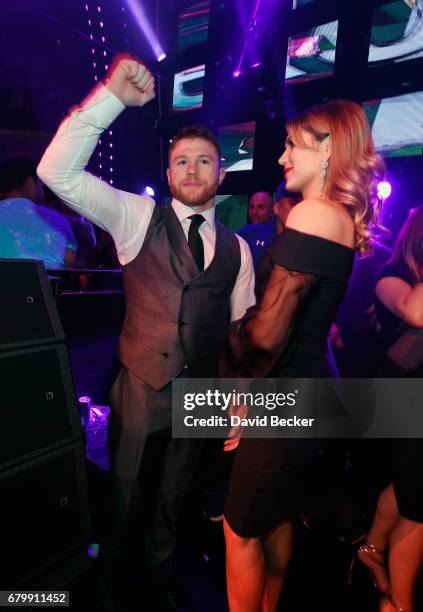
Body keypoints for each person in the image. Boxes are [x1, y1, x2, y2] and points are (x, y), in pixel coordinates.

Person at [37, 55, 255, 611]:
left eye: (203, 161)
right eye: (181, 160)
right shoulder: (138, 218)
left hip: (202, 391)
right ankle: (111, 594)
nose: (190, 170)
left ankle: (158, 589)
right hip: (139, 386)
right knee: (126, 503)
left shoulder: (240, 250)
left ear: (220, 174)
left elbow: (238, 331)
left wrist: (236, 399)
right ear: (168, 173)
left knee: (172, 504)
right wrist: (110, 99)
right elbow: (55, 173)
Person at [219, 99, 385, 611]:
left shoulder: (315, 213)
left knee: (239, 529)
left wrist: (239, 389)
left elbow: (269, 332)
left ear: (329, 147)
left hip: (283, 392)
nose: (282, 157)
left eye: (293, 144)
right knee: (275, 517)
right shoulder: (334, 216)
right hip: (304, 394)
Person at [356, 206, 423, 612]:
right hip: (401, 399)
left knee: (407, 489)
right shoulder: (391, 276)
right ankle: (399, 603)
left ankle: (372, 547)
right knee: (419, 511)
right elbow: (416, 313)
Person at [0, 158, 77, 268]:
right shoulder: (56, 220)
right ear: (31, 184)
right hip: (46, 284)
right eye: (41, 186)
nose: (43, 192)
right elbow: (70, 260)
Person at [237, 182, 301, 271]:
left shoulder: (307, 243)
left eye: (303, 204)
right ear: (276, 208)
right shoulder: (247, 234)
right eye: (294, 203)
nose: (254, 212)